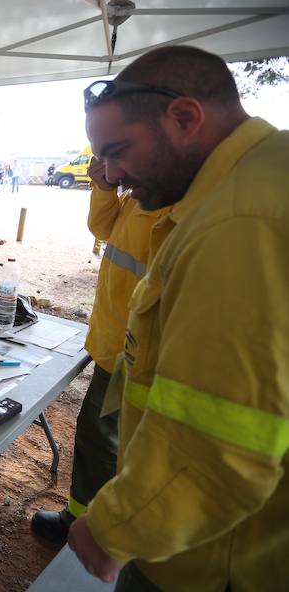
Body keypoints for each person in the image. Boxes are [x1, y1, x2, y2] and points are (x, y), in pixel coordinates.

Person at [69, 45, 289, 590]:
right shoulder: (254, 181)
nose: (112, 172)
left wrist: (117, 529)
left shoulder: (240, 221)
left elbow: (221, 440)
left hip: (211, 558)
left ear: (186, 117)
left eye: (118, 150)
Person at [31, 156, 169, 544]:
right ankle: (85, 519)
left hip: (137, 354)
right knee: (99, 436)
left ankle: (93, 530)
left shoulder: (174, 202)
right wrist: (106, 187)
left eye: (113, 153)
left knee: (105, 440)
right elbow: (102, 227)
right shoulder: (140, 192)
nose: (103, 163)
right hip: (114, 342)